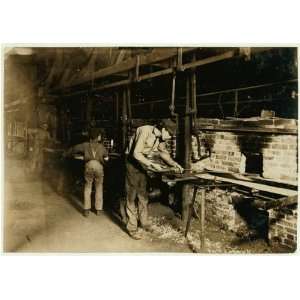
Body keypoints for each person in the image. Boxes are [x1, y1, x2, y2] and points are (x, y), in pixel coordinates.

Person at [125, 119, 184, 239]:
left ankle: (144, 222)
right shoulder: (145, 130)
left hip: (142, 163)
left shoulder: (160, 138)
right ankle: (132, 228)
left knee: (143, 194)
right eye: (169, 134)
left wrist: (174, 164)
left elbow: (163, 153)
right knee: (131, 196)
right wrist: (152, 165)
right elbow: (136, 153)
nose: (169, 137)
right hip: (131, 162)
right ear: (163, 129)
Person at [65, 128, 108, 217]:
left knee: (88, 186)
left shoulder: (85, 145)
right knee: (99, 187)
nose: (100, 136)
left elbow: (74, 149)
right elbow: (106, 158)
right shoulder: (102, 147)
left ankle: (86, 209)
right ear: (97, 137)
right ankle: (98, 209)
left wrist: (67, 154)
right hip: (99, 167)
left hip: (88, 166)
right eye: (99, 135)